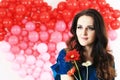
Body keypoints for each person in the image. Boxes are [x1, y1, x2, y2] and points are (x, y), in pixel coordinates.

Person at [51, 9, 116, 80]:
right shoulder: (67, 54)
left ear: (98, 31)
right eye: (79, 27)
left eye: (90, 28)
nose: (83, 33)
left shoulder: (108, 59)